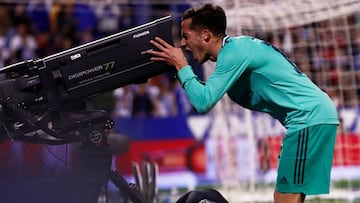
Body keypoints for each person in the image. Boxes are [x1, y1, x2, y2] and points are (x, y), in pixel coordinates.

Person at [147, 3, 339, 203]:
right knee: (284, 196)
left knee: (285, 198)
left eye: (186, 36)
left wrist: (182, 66)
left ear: (205, 36)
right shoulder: (233, 54)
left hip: (308, 118)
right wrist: (180, 69)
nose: (183, 44)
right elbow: (202, 94)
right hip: (308, 119)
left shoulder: (234, 52)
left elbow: (203, 102)